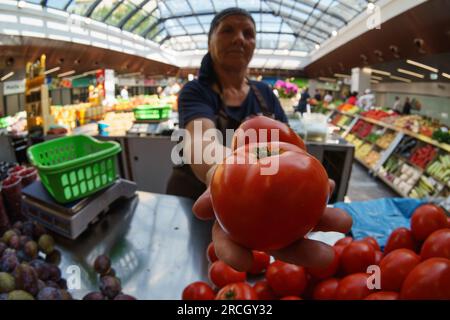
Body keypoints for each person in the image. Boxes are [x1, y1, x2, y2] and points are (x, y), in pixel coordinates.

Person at [165, 8, 351, 272]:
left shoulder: (264, 93)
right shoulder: (196, 91)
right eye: (228, 30)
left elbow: (292, 149)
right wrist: (224, 177)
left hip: (259, 210)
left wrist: (302, 186)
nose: (239, 38)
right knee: (191, 266)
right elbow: (199, 141)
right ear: (210, 41)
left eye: (248, 33)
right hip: (193, 200)